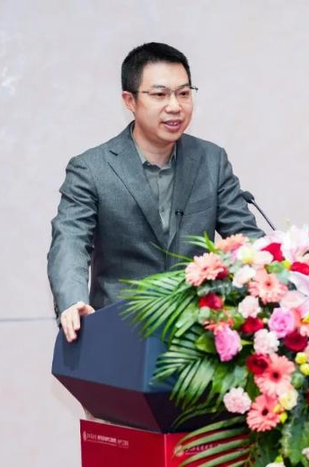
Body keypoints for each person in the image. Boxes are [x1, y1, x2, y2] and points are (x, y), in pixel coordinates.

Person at [47, 42, 263, 343]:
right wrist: (73, 300)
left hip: (197, 338)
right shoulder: (91, 169)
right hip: (120, 334)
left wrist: (281, 270)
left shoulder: (211, 160)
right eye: (160, 95)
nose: (175, 106)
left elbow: (245, 238)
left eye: (183, 93)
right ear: (130, 101)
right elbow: (70, 240)